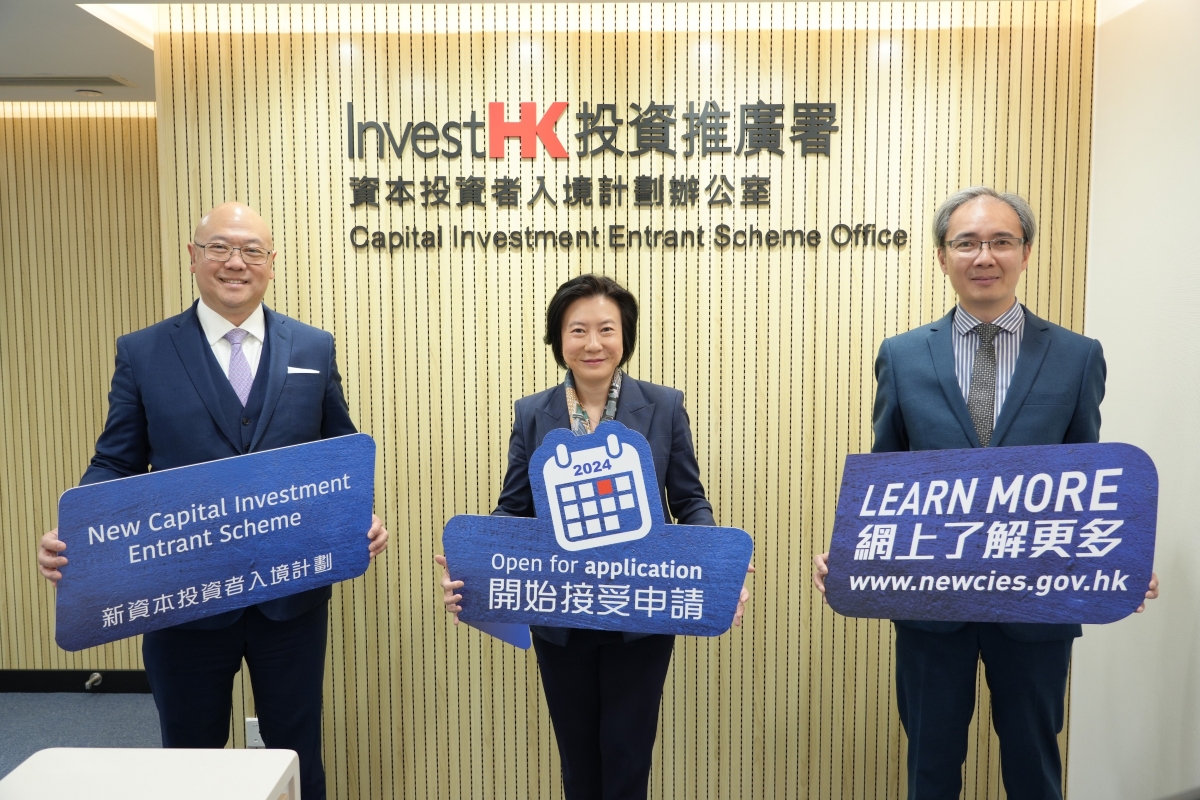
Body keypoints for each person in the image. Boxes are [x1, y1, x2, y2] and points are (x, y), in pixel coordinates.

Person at [813, 186, 1158, 800]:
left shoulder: (1077, 357)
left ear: (1026, 252)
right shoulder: (902, 355)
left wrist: (1116, 557)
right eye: (966, 243)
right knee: (930, 765)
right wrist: (853, 552)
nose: (984, 256)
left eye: (1001, 241)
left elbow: (1086, 476)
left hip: (1036, 604)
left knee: (1034, 765)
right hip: (930, 603)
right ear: (942, 256)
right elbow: (888, 473)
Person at [37, 202, 388, 800]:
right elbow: (116, 460)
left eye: (252, 250)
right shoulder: (144, 352)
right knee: (189, 757)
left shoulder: (313, 347)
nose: (235, 262)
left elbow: (339, 450)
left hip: (291, 597)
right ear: (194, 257)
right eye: (220, 247)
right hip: (182, 599)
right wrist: (79, 527)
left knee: (296, 748)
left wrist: (360, 512)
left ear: (271, 263)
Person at [435, 274, 751, 800]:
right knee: (578, 761)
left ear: (625, 336)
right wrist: (474, 565)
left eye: (606, 329)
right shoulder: (533, 413)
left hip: (642, 612)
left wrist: (716, 569)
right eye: (577, 330)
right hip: (561, 614)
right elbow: (513, 509)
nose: (593, 343)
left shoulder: (664, 406)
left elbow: (689, 501)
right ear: (559, 339)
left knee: (629, 758)